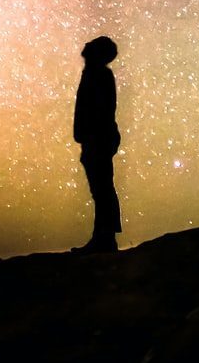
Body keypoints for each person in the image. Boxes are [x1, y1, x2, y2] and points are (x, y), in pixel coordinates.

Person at [71, 36, 122, 253]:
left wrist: (91, 136)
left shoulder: (99, 75)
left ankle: (105, 239)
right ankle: (102, 238)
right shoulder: (95, 74)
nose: (85, 45)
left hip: (98, 139)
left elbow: (100, 111)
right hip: (96, 138)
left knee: (102, 189)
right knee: (100, 189)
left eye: (91, 45)